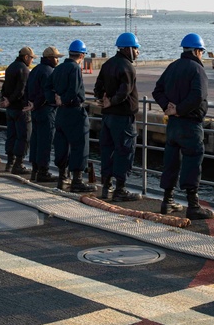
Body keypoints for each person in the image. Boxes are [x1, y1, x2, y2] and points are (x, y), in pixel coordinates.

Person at [153, 33, 214, 219]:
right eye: (201, 51)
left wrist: (168, 108)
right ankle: (193, 205)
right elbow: (198, 96)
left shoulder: (172, 67)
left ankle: (167, 201)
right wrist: (180, 109)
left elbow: (157, 90)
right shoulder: (197, 69)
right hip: (190, 124)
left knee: (171, 162)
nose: (202, 55)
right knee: (192, 162)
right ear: (196, 51)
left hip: (173, 126)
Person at [93, 33, 143, 202]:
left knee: (107, 150)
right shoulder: (128, 67)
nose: (137, 53)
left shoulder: (107, 64)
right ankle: (120, 189)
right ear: (128, 48)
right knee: (125, 151)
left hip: (107, 118)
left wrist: (103, 100)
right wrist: (112, 102)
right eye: (136, 49)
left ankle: (106, 186)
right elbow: (125, 91)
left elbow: (97, 87)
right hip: (122, 117)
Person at [46, 40, 94, 193]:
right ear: (82, 54)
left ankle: (62, 178)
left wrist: (55, 99)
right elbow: (74, 90)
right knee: (80, 145)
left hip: (61, 113)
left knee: (61, 144)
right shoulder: (75, 68)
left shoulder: (58, 69)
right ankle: (77, 180)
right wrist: (65, 99)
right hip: (74, 111)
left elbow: (47, 87)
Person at [28, 46, 62, 182]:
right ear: (49, 58)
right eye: (56, 58)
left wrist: (31, 103)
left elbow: (27, 88)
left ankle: (35, 170)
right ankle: (43, 171)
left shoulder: (35, 69)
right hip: (46, 110)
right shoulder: (49, 72)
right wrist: (38, 104)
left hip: (35, 111)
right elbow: (45, 93)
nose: (58, 60)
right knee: (45, 141)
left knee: (35, 140)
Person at [2, 46, 36, 175]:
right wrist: (11, 100)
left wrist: (5, 99)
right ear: (26, 57)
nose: (32, 60)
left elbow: (5, 86)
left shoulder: (11, 67)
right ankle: (18, 164)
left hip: (10, 109)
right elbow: (21, 90)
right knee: (24, 136)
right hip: (21, 108)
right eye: (32, 58)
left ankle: (9, 162)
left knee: (11, 135)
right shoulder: (24, 70)